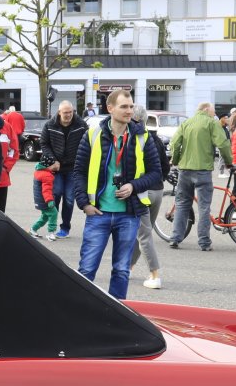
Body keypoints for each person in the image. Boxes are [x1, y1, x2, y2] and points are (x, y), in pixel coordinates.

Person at [71, 89, 162, 299]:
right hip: (98, 213)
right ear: (110, 108)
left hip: (129, 214)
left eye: (131, 106)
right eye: (124, 107)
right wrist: (84, 203)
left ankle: (116, 312)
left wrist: (133, 186)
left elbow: (156, 173)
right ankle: (80, 310)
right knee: (86, 270)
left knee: (121, 270)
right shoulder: (92, 134)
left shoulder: (142, 137)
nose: (129, 111)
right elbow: (79, 172)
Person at [168, 102, 232, 250]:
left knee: (182, 204)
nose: (214, 115)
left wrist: (176, 160)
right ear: (206, 109)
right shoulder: (211, 123)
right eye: (213, 111)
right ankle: (204, 242)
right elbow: (223, 144)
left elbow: (175, 143)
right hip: (203, 170)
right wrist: (229, 162)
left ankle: (175, 238)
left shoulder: (186, 123)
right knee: (204, 207)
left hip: (185, 170)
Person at [129, 103, 169, 289]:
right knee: (143, 233)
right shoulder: (156, 139)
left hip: (141, 191)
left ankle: (155, 276)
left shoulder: (134, 138)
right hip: (158, 190)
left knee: (143, 235)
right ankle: (128, 267)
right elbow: (165, 166)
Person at [40, 102, 88, 237]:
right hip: (56, 167)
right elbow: (44, 143)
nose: (68, 115)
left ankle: (65, 228)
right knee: (55, 194)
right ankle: (52, 226)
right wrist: (52, 160)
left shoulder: (81, 125)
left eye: (70, 112)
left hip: (73, 168)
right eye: (65, 112)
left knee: (69, 198)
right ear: (59, 112)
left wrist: (81, 161)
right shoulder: (50, 125)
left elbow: (87, 144)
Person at [30, 164, 59, 239]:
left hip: (40, 200)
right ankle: (51, 233)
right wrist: (49, 200)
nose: (56, 165)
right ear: (48, 165)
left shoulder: (39, 171)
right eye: (54, 164)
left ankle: (33, 229)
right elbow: (46, 190)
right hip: (45, 200)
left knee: (44, 217)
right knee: (53, 213)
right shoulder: (47, 175)